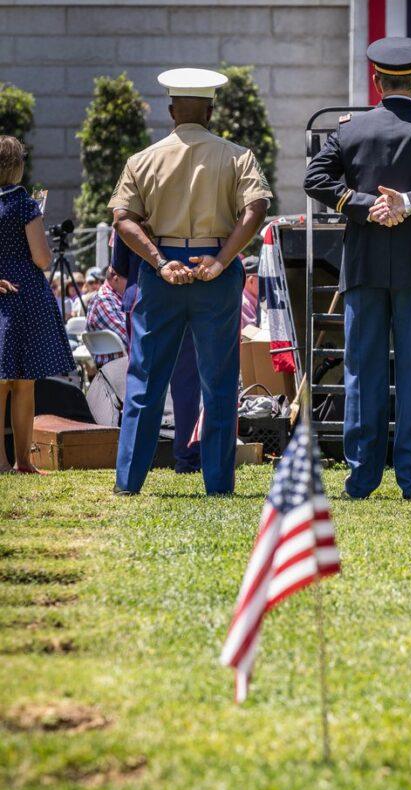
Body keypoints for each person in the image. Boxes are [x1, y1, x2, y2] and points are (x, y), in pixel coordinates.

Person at [304, 37, 411, 501]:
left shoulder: (350, 130)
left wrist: (362, 206)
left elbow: (314, 179)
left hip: (363, 262)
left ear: (376, 80)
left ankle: (361, 479)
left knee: (362, 371)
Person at [108, 68, 272, 496]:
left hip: (162, 270)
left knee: (145, 379)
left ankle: (128, 481)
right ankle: (218, 484)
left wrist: (161, 262)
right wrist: (221, 260)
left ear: (171, 110)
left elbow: (123, 220)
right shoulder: (238, 155)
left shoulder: (141, 159)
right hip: (215, 265)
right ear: (211, 111)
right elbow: (255, 210)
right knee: (218, 382)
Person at [0, 135, 75, 474]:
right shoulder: (26, 205)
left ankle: (1, 463)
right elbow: (43, 259)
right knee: (23, 384)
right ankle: (22, 462)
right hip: (24, 297)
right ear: (17, 166)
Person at [111, 230, 202, 475]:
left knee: (143, 382)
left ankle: (137, 461)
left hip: (142, 296)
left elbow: (118, 265)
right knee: (186, 384)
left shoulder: (131, 210)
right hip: (186, 291)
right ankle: (187, 458)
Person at [85, 266, 128, 367]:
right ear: (115, 277)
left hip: (122, 367)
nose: (135, 284)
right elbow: (130, 338)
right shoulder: (104, 300)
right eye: (131, 278)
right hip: (118, 370)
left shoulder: (115, 298)